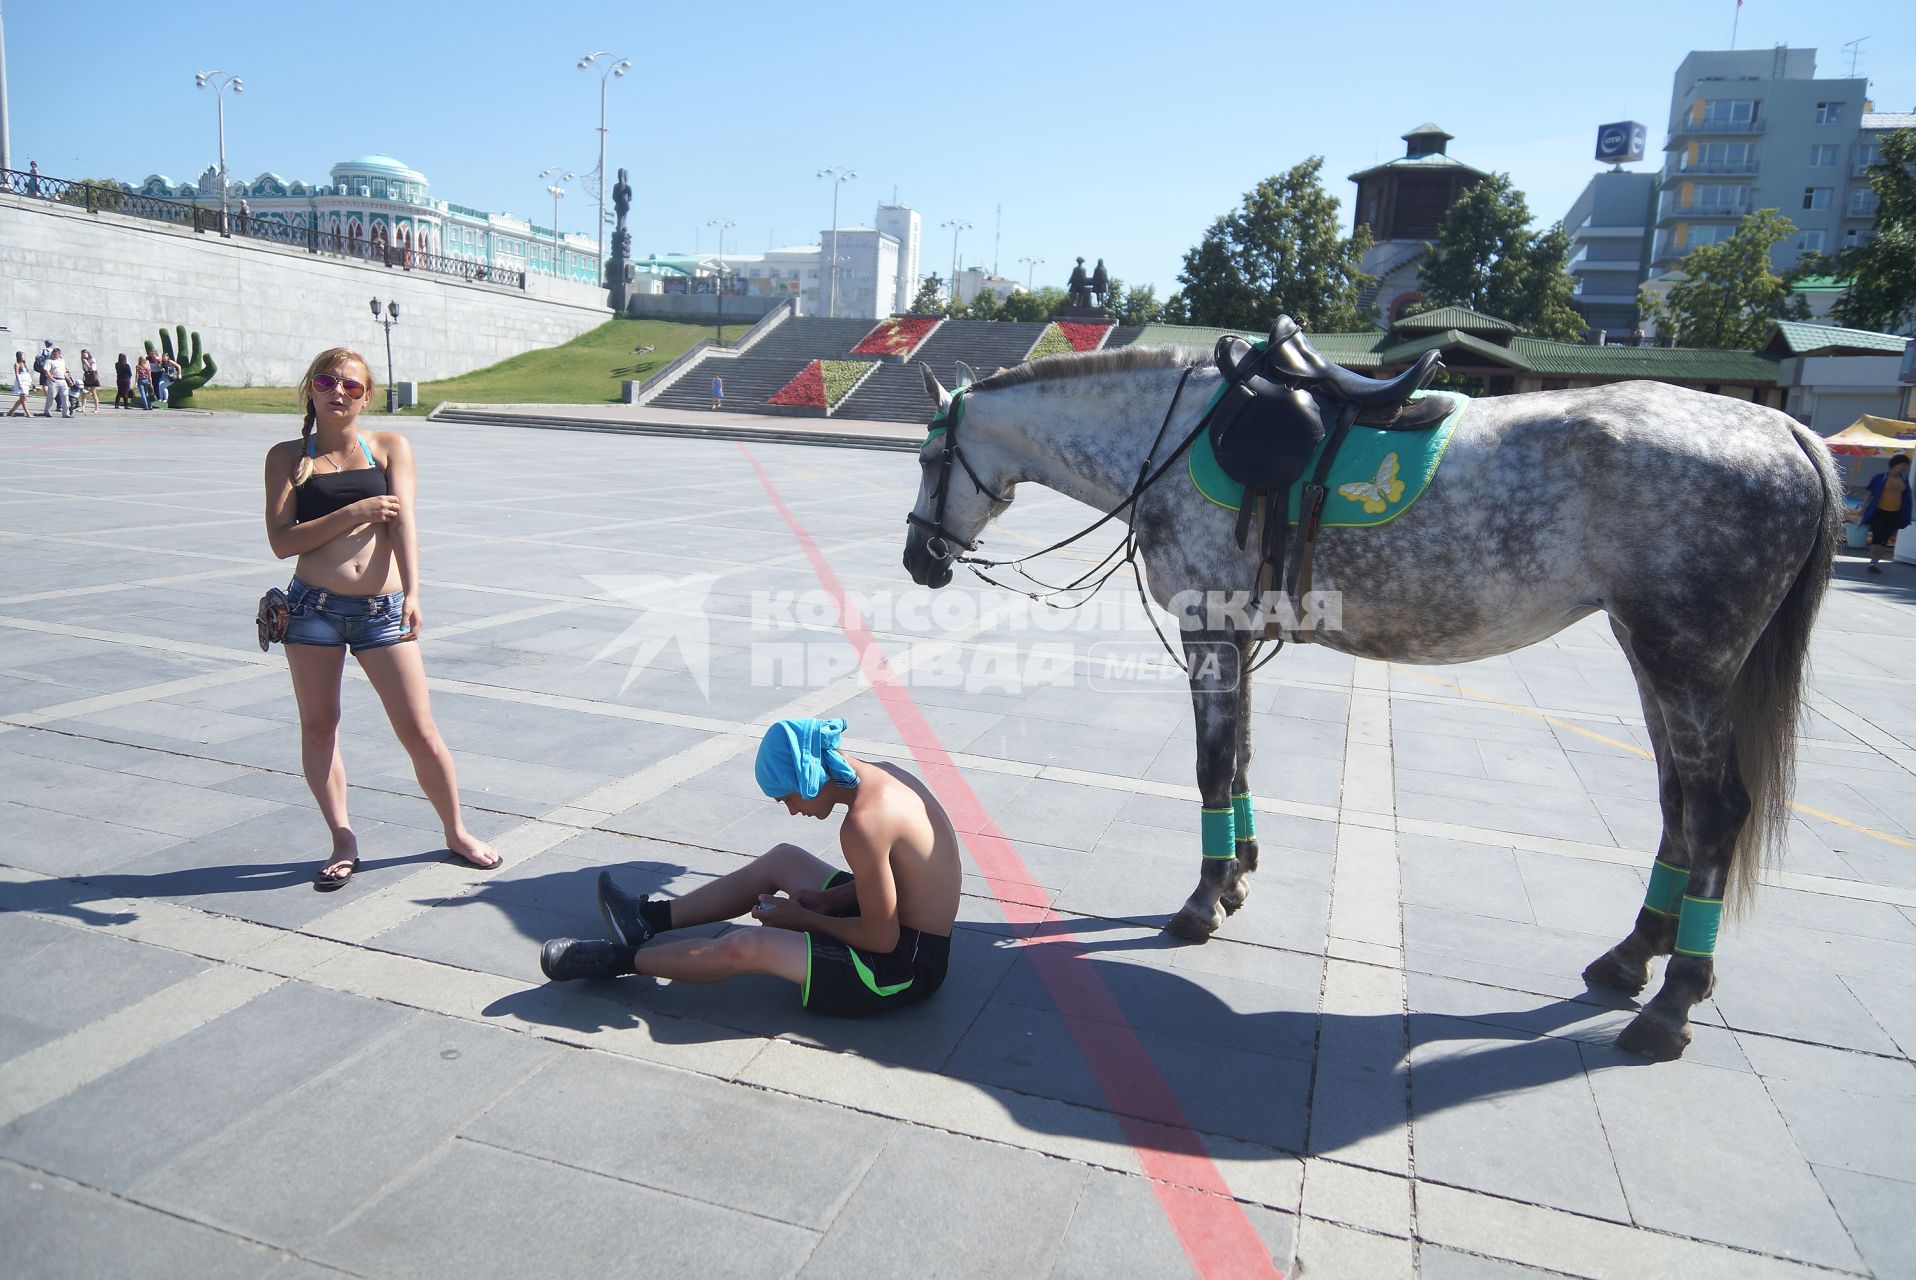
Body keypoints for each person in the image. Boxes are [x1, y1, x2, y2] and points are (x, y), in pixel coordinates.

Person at [262, 347, 503, 888]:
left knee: (419, 730)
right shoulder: (286, 457)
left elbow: (405, 523)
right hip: (311, 610)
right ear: (311, 389)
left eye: (351, 386)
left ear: (366, 396)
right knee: (320, 728)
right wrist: (354, 513)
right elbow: (281, 543)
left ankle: (456, 830)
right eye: (328, 382)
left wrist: (415, 592)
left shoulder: (390, 446)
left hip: (381, 611)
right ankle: (342, 836)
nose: (338, 392)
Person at [539, 718, 961, 1019]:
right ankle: (645, 918)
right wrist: (829, 900)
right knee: (784, 858)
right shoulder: (882, 777)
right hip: (906, 929)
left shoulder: (864, 824)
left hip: (904, 966)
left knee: (746, 946)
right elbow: (902, 879)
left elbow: (882, 940)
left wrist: (805, 919)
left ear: (809, 779)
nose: (792, 810)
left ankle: (620, 959)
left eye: (787, 798)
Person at [1863, 454, 1912, 574]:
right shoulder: (1881, 477)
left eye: (1906, 466)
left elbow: (1907, 496)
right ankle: (1872, 563)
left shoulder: (1904, 479)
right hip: (1880, 511)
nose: (1904, 468)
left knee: (1884, 539)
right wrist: (1864, 506)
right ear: (1895, 465)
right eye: (1903, 465)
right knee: (1877, 536)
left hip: (1895, 513)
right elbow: (1869, 493)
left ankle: (1876, 562)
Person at [43, 347, 72, 418]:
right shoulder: (49, 361)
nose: (54, 355)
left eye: (56, 354)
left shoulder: (62, 361)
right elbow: (46, 370)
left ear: (59, 354)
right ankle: (47, 411)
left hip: (62, 380)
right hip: (53, 380)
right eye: (53, 354)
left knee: (65, 396)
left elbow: (64, 372)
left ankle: (66, 413)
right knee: (51, 396)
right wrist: (51, 378)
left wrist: (69, 380)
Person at [7, 352, 29, 417]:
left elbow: (27, 373)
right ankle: (28, 413)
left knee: (22, 399)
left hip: (25, 382)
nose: (24, 357)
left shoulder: (24, 364)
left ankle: (11, 411)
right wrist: (19, 383)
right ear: (19, 356)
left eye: (24, 356)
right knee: (24, 398)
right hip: (20, 382)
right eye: (22, 356)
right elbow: (17, 374)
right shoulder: (17, 364)